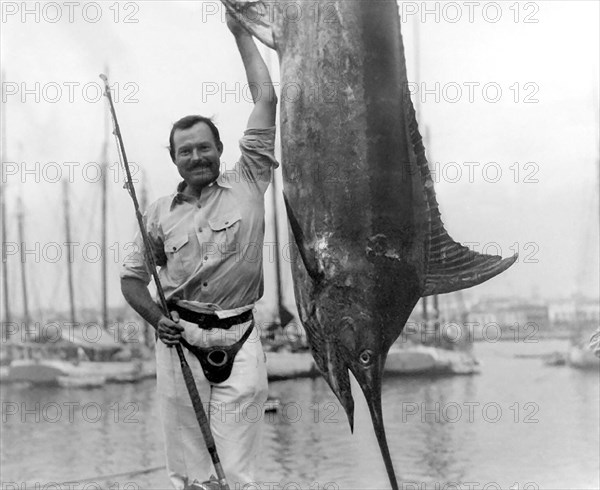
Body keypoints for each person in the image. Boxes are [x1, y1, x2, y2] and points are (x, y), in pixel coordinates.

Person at [120, 13, 278, 489]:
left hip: (241, 337)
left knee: (236, 474)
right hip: (178, 344)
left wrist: (240, 33)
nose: (197, 157)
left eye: (204, 148)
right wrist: (157, 319)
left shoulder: (250, 179)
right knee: (189, 473)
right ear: (174, 159)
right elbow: (131, 280)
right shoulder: (157, 213)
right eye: (185, 151)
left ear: (220, 148)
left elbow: (267, 97)